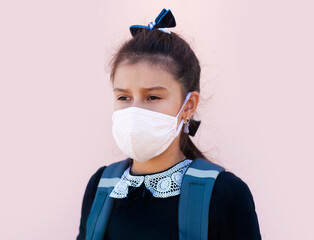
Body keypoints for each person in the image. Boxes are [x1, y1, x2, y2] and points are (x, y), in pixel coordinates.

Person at [77, 9, 261, 240]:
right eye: (123, 97)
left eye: (153, 97)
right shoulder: (101, 186)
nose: (135, 111)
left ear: (188, 105)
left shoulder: (224, 194)